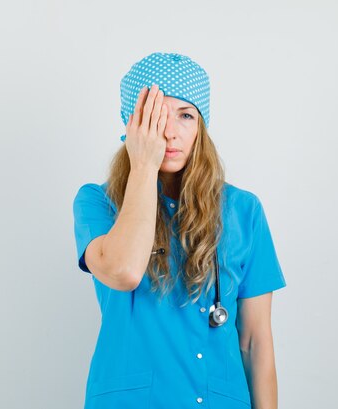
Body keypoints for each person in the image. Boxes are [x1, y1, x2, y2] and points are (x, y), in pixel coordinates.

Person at [72, 52, 287, 409]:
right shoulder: (98, 203)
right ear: (131, 125)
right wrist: (143, 164)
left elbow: (255, 341)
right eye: (153, 118)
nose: (169, 132)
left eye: (185, 115)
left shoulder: (243, 210)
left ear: (202, 125)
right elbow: (124, 272)